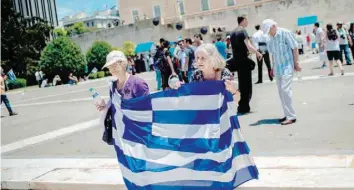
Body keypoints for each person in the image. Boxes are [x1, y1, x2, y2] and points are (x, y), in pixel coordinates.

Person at [172, 43, 241, 104]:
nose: (199, 61)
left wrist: (233, 91)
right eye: (197, 58)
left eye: (203, 58)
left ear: (213, 59)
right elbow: (190, 99)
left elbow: (238, 100)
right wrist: (181, 89)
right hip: (204, 116)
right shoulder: (196, 75)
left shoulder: (224, 73)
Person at [262, 19, 301, 125]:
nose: (269, 32)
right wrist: (272, 68)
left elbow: (295, 48)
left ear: (273, 26)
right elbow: (273, 55)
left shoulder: (285, 33)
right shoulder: (270, 39)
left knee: (285, 90)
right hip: (278, 68)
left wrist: (296, 63)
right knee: (281, 92)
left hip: (287, 66)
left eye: (269, 30)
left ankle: (291, 116)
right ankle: (287, 114)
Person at [230, 15, 262, 114]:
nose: (247, 22)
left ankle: (241, 106)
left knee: (241, 83)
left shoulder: (232, 33)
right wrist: (257, 52)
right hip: (244, 61)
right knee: (247, 85)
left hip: (237, 60)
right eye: (246, 20)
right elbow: (248, 45)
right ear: (243, 21)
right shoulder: (242, 31)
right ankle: (245, 106)